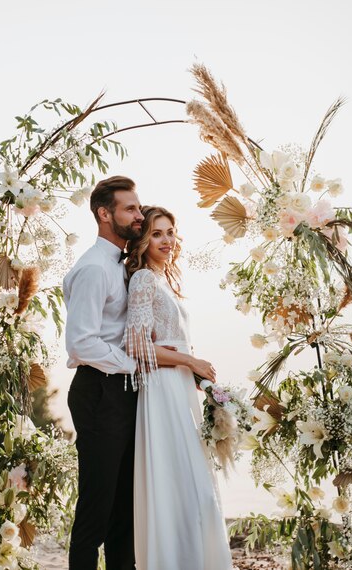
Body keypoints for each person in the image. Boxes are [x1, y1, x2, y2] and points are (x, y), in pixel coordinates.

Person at [64, 177, 215, 570]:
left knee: (124, 512)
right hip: (100, 391)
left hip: (129, 391)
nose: (137, 215)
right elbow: (82, 344)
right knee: (96, 509)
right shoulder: (94, 269)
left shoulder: (124, 267)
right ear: (104, 213)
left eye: (137, 208)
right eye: (130, 208)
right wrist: (144, 363)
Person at [123, 205, 233, 570]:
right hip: (163, 392)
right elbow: (136, 346)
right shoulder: (142, 280)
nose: (166, 240)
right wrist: (190, 362)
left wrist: (202, 377)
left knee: (196, 487)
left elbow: (175, 341)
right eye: (156, 233)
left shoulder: (164, 278)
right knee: (180, 485)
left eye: (170, 232)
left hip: (182, 388)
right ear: (142, 240)